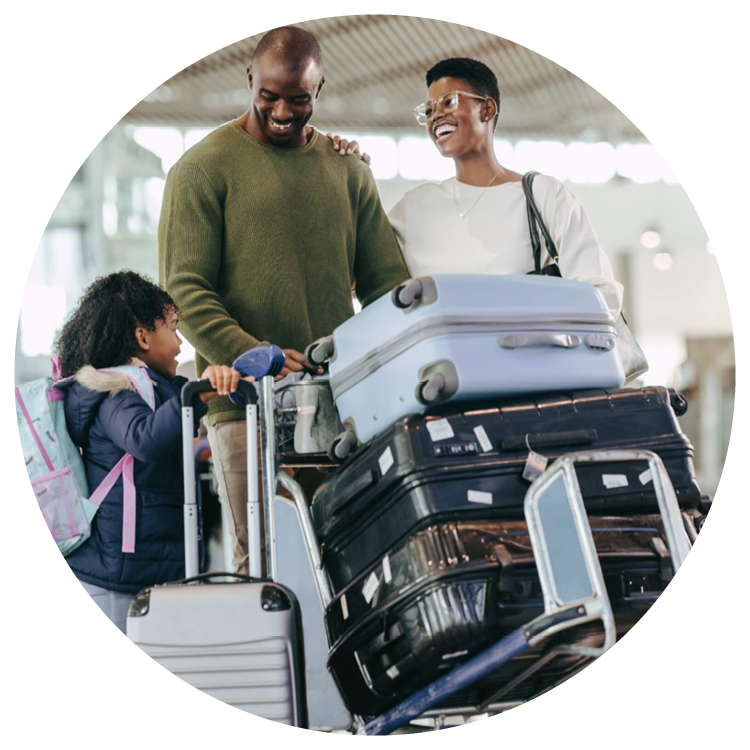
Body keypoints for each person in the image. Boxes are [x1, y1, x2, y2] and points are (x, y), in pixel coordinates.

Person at [158, 26, 409, 575]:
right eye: (268, 95)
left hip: (340, 404)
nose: (280, 110)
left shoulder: (347, 170)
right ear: (249, 79)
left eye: (297, 99)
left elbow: (387, 286)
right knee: (269, 566)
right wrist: (259, 354)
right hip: (245, 406)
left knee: (355, 561)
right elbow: (185, 289)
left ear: (319, 89)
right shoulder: (201, 170)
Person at [347, 57, 621, 315]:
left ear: (487, 109)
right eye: (429, 110)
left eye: (448, 102)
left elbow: (600, 295)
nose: (435, 116)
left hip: (531, 361)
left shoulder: (542, 196)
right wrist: (347, 178)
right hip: (445, 363)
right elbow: (357, 276)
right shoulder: (415, 207)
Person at [56, 271, 244, 634]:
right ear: (143, 337)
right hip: (117, 575)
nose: (180, 344)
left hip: (139, 564)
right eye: (173, 329)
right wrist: (200, 394)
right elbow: (145, 438)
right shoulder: (115, 391)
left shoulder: (152, 389)